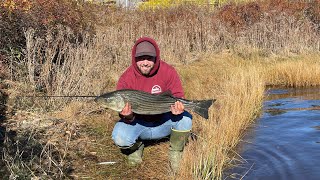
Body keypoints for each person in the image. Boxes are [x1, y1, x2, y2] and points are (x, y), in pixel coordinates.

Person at [112, 37, 192, 172]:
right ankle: (136, 147)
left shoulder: (168, 71)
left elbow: (178, 95)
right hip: (139, 124)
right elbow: (125, 115)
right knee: (120, 136)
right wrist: (128, 116)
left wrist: (177, 109)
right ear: (134, 58)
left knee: (186, 119)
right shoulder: (126, 78)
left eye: (149, 58)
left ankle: (176, 152)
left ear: (156, 58)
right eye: (140, 58)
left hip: (164, 122)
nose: (144, 63)